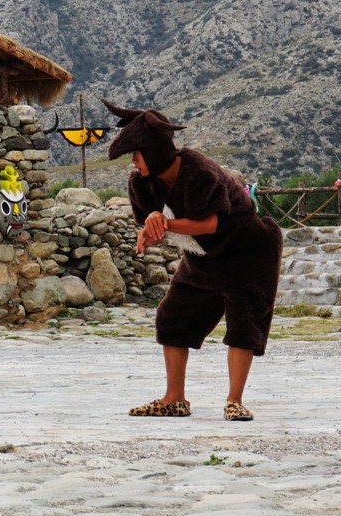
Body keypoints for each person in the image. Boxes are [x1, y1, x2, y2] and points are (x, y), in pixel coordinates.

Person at [109, 102, 283, 422]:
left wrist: (165, 224)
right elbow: (152, 220)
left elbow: (209, 224)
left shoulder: (199, 172)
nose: (133, 161)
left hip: (248, 252)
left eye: (137, 152)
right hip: (203, 256)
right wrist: (150, 227)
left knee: (244, 323)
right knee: (172, 316)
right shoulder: (141, 182)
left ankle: (234, 401)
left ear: (156, 150)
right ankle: (174, 399)